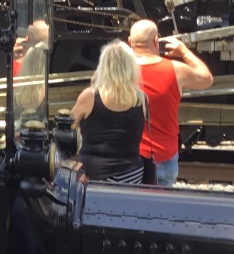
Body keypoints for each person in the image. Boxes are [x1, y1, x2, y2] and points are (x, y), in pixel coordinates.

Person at [128, 19, 213, 186]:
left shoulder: (119, 72)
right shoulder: (175, 69)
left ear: (130, 42)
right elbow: (206, 78)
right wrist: (184, 51)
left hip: (130, 159)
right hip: (162, 158)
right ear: (156, 40)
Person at [70, 40, 146, 183]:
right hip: (131, 175)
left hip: (93, 175)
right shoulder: (142, 99)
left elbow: (67, 128)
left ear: (103, 66)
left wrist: (92, 87)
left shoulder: (90, 96)